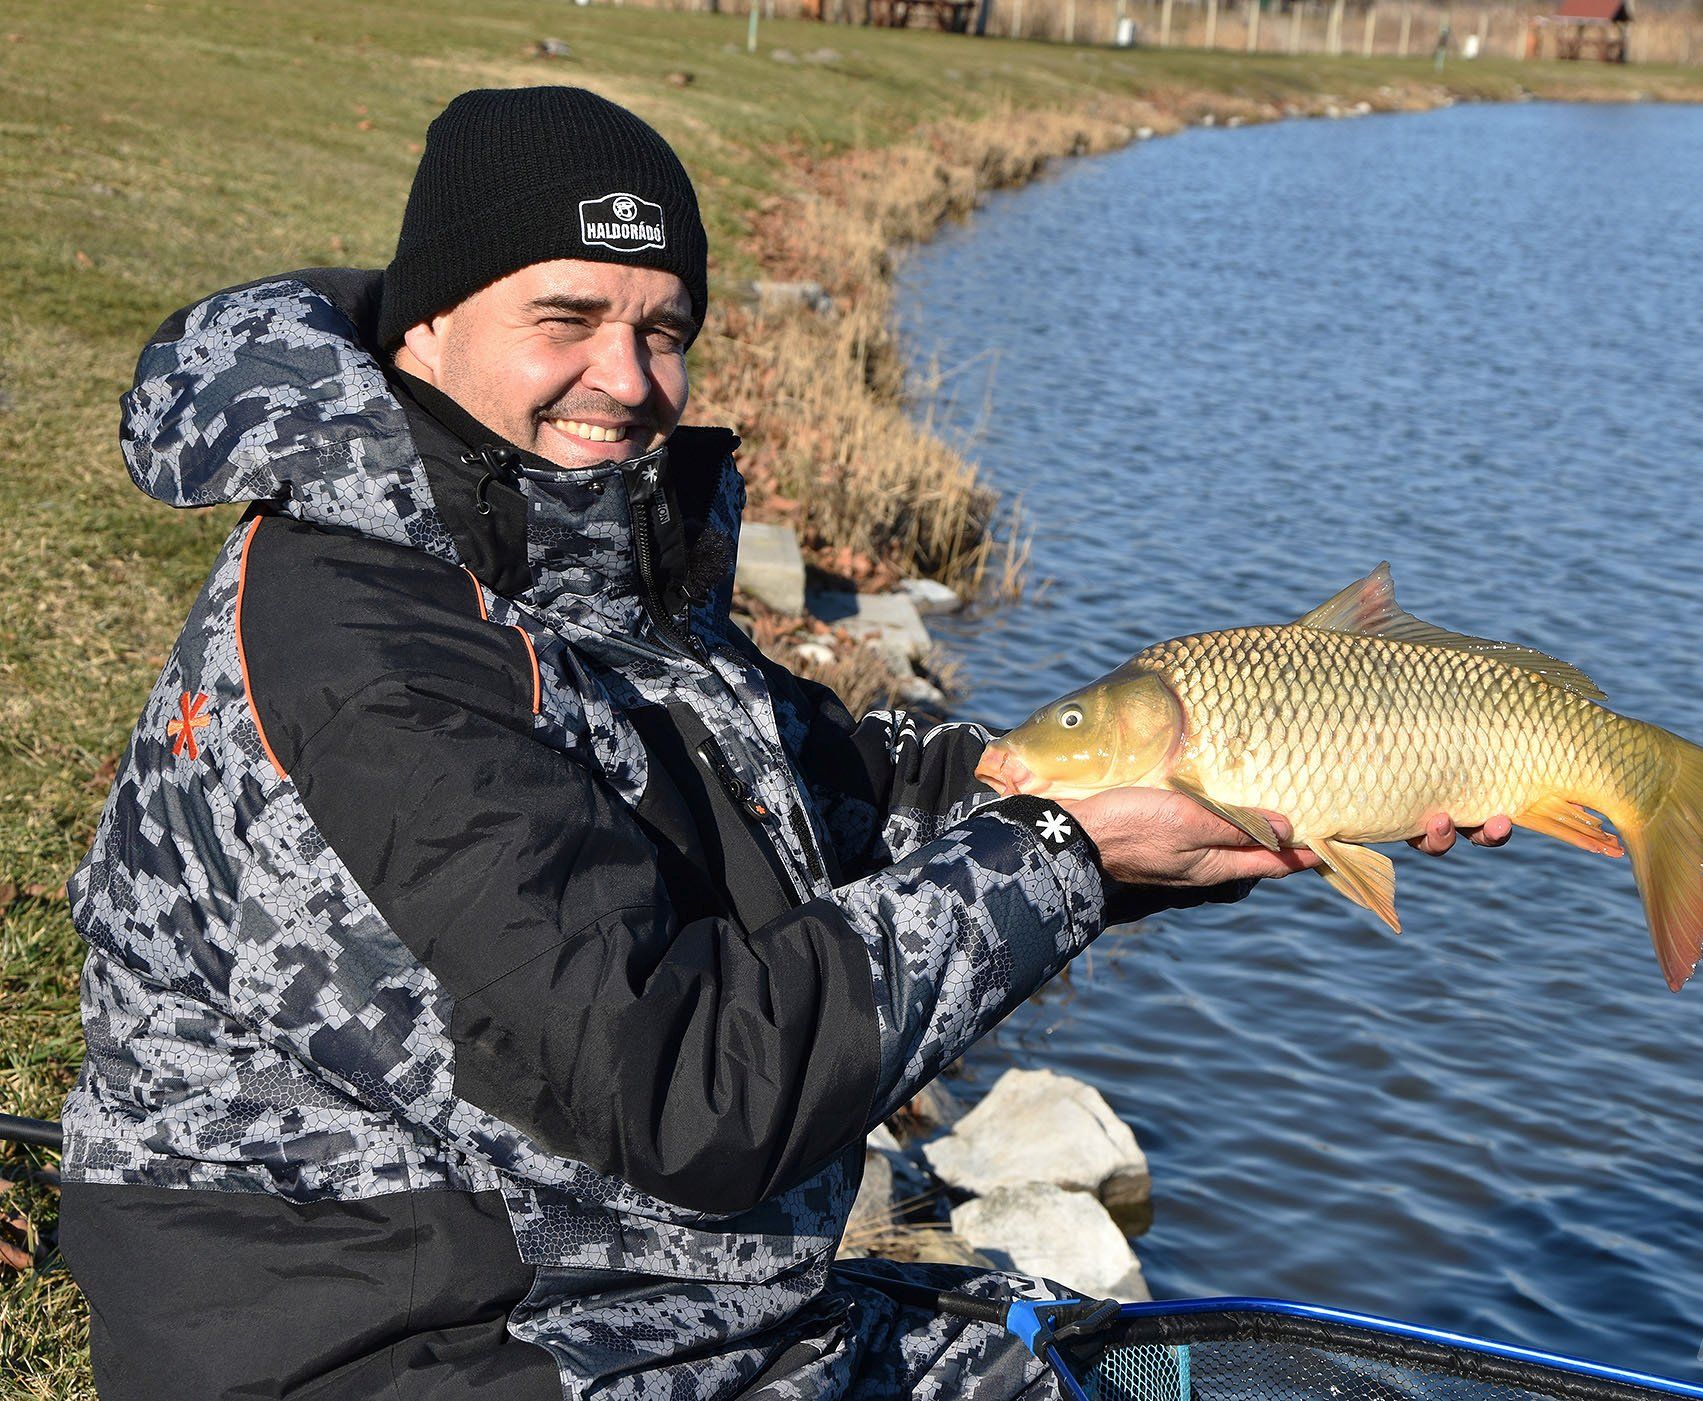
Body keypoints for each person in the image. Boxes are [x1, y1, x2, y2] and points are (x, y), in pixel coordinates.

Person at [58, 86, 1506, 1399]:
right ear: (428, 323)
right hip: (410, 1342)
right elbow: (680, 1089)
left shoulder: (569, 558)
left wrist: (1190, 808)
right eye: (565, 320)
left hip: (656, 1296)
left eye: (662, 328)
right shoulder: (369, 632)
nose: (624, 380)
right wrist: (1061, 856)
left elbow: (853, 794)